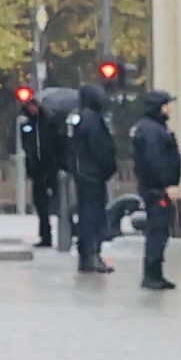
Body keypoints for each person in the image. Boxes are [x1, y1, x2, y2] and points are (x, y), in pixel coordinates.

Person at [129, 90, 181, 291]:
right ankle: (152, 274)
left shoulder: (151, 128)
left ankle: (156, 273)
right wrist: (167, 184)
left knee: (160, 230)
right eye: (166, 105)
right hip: (157, 189)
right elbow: (156, 160)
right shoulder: (152, 131)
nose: (169, 109)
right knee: (158, 230)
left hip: (155, 187)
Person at [66, 85, 120, 274]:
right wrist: (108, 167)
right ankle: (91, 255)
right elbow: (101, 148)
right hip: (92, 176)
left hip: (85, 174)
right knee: (92, 217)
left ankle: (88, 256)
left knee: (87, 216)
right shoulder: (92, 120)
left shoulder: (81, 118)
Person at [14, 88, 62, 249]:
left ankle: (64, 232)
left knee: (58, 202)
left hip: (51, 168)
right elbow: (27, 144)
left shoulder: (50, 122)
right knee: (41, 205)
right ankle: (45, 235)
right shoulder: (27, 122)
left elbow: (58, 144)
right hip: (37, 170)